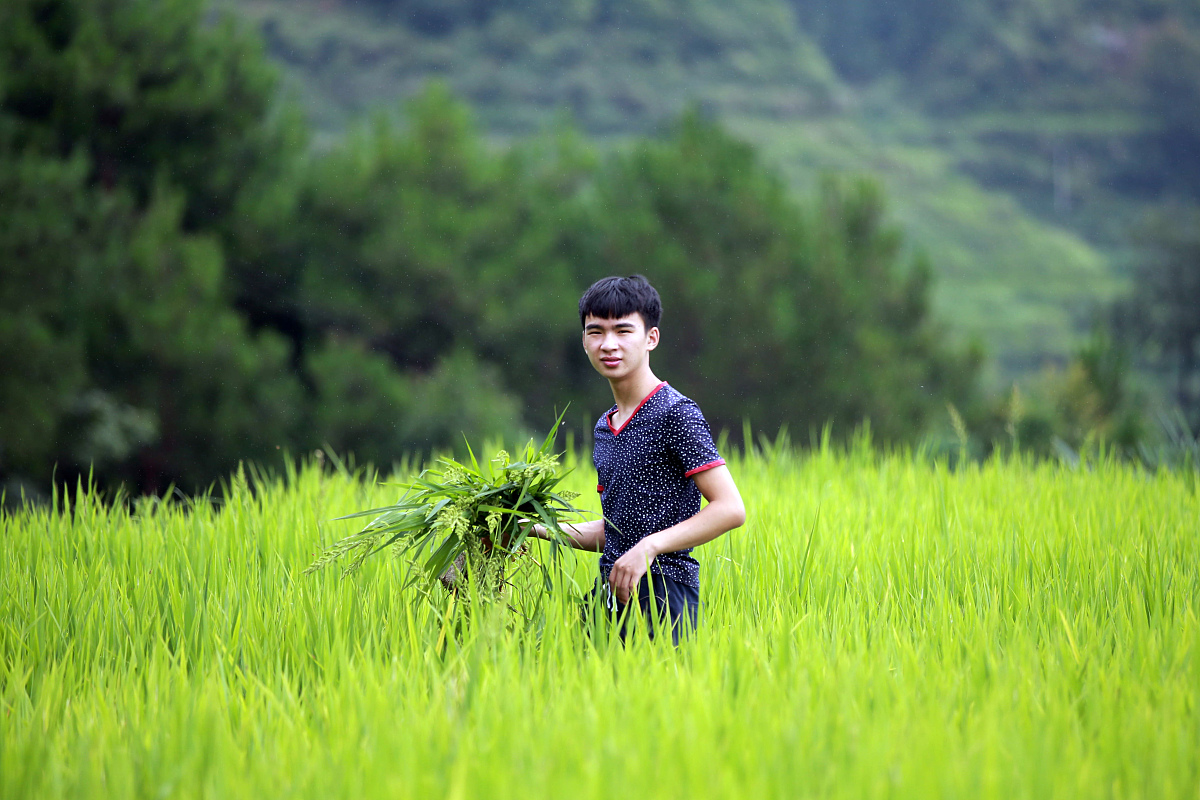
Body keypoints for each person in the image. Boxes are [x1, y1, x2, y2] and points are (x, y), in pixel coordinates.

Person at [534, 275, 746, 643]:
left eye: (623, 330)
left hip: (666, 596)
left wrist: (648, 548)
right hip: (610, 596)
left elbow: (730, 508)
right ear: (584, 340)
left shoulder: (676, 413)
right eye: (596, 332)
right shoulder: (606, 426)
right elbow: (618, 529)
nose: (608, 344)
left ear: (651, 338)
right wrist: (535, 528)